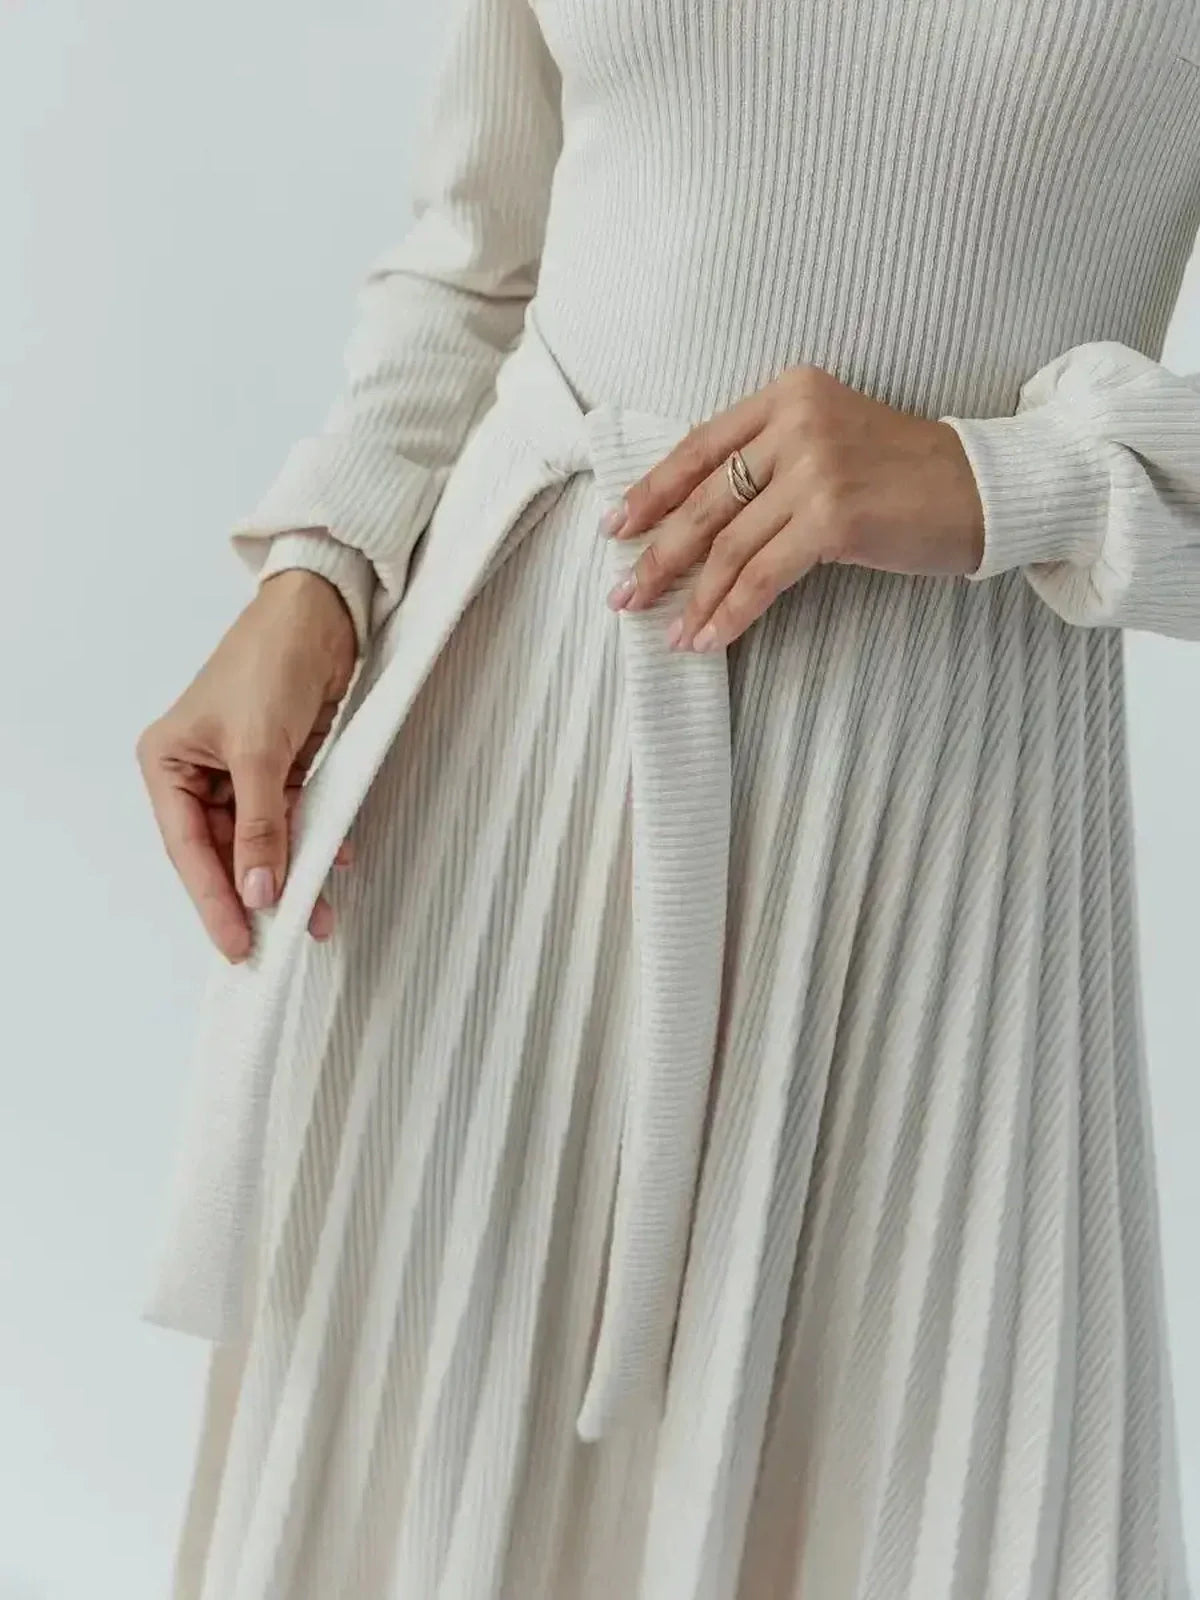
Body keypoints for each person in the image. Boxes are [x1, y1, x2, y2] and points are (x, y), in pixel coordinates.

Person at [136, 0, 1200, 1595]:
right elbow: (483, 257)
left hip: (924, 883)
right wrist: (323, 568)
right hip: (489, 816)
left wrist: (1006, 478)